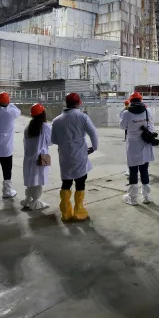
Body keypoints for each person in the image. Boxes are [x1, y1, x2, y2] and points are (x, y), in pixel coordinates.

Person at [51, 92, 98, 222]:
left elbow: (54, 140)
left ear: (66, 103)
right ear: (79, 103)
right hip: (79, 154)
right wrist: (94, 147)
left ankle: (66, 212)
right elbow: (93, 133)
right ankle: (79, 211)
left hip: (65, 156)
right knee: (80, 181)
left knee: (66, 182)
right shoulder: (83, 117)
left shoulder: (56, 120)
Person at [120, 92, 155, 205]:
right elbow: (151, 127)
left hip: (133, 145)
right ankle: (146, 197)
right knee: (144, 170)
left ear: (130, 101)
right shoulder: (147, 111)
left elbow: (122, 127)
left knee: (133, 171)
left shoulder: (126, 113)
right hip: (145, 143)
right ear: (141, 100)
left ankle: (133, 198)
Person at [21, 103, 51, 211]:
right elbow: (51, 141)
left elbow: (25, 144)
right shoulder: (45, 127)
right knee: (39, 179)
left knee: (30, 178)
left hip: (29, 157)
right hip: (42, 156)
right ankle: (35, 202)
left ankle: (29, 198)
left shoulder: (28, 127)